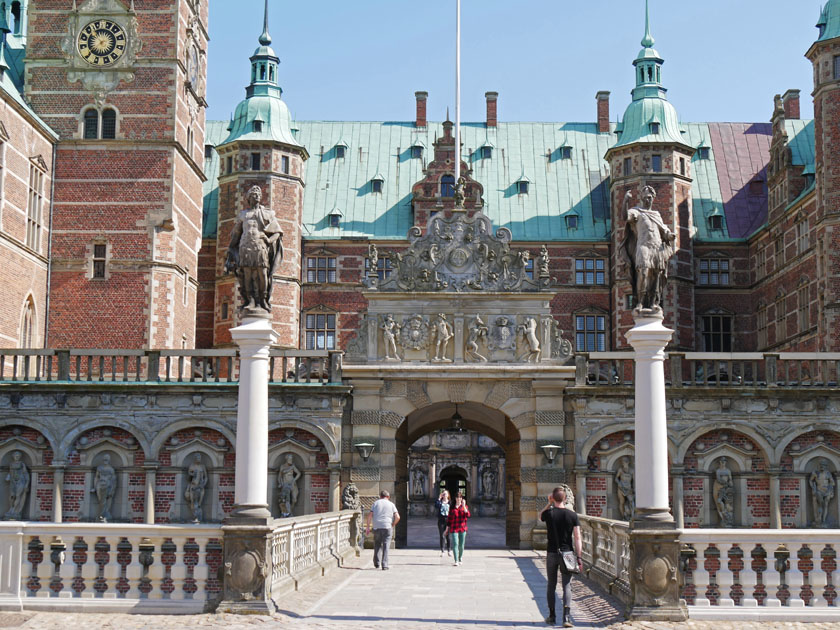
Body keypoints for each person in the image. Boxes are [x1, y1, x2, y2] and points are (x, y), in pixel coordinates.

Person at [224, 185, 284, 313]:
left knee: (262, 274)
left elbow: (278, 232)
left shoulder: (267, 213)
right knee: (247, 275)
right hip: (245, 246)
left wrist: (268, 241)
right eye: (253, 194)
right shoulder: (243, 215)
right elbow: (236, 233)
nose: (257, 196)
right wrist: (230, 248)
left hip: (260, 246)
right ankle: (250, 300)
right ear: (249, 198)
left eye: (258, 194)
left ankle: (262, 300)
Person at [619, 185, 676, 312]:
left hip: (657, 247)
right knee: (643, 273)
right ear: (641, 198)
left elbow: (663, 229)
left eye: (649, 197)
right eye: (645, 197)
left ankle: (653, 303)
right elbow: (624, 217)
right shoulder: (637, 212)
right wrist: (625, 201)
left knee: (656, 275)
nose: (647, 200)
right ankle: (640, 302)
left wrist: (669, 235)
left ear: (653, 198)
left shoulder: (656, 214)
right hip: (643, 246)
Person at [541, 486, 582, 627]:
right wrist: (579, 557)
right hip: (568, 554)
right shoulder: (572, 515)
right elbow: (577, 537)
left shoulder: (549, 513)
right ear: (565, 498)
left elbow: (541, 515)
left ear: (553, 497)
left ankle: (552, 616)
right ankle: (566, 618)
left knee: (551, 585)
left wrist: (549, 502)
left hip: (552, 553)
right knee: (566, 586)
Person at [365, 489, 400, 570]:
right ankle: (385, 565)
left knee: (377, 544)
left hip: (377, 527)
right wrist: (392, 524)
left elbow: (370, 516)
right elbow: (398, 517)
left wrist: (367, 527)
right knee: (386, 546)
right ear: (388, 497)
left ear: (380, 496)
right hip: (387, 526)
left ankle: (377, 563)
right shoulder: (391, 504)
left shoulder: (375, 503)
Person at [444, 491, 470, 566]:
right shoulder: (452, 507)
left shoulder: (464, 507)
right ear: (455, 498)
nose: (459, 499)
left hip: (462, 528)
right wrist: (446, 529)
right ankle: (456, 560)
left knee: (461, 545)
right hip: (454, 528)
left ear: (462, 499)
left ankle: (460, 557)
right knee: (455, 543)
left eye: (460, 497)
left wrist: (464, 505)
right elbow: (449, 519)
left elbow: (468, 515)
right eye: (457, 497)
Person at [434, 489, 451, 556]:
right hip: (441, 520)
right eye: (443, 494)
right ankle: (442, 550)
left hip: (448, 520)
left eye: (445, 494)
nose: (444, 495)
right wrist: (439, 498)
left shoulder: (450, 502)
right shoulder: (440, 502)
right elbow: (436, 506)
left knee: (448, 536)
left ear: (448, 495)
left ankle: (449, 550)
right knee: (442, 536)